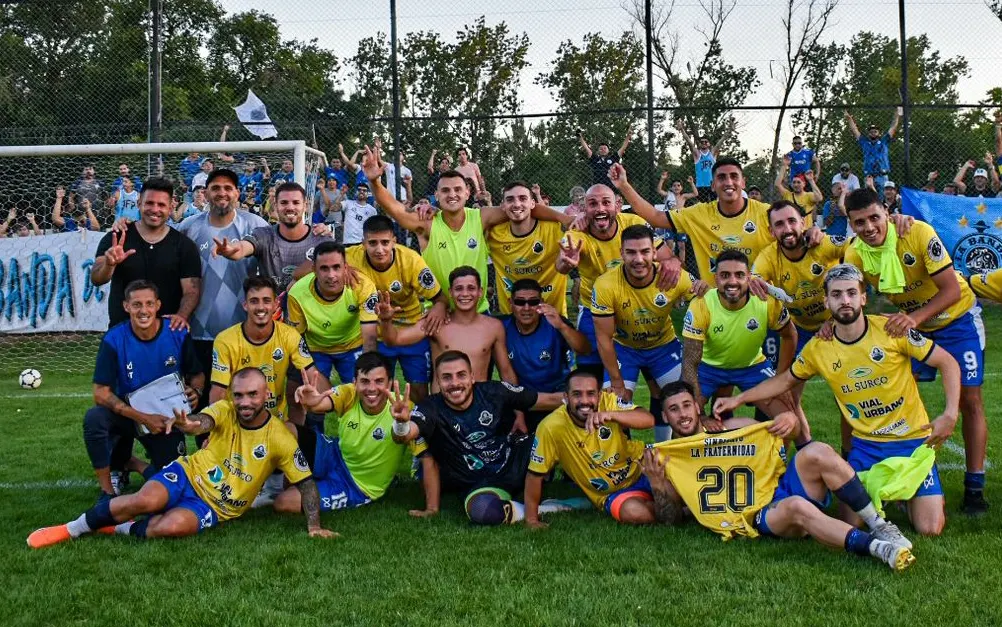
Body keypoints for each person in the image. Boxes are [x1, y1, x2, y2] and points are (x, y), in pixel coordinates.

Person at [714, 264, 961, 536]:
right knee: (851, 523)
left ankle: (910, 494)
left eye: (851, 293)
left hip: (911, 442)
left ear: (863, 297)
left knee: (929, 529)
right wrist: (740, 400)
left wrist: (950, 413)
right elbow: (785, 380)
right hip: (867, 447)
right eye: (837, 295)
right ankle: (891, 491)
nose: (845, 300)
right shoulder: (819, 347)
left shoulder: (892, 330)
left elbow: (947, 362)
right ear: (826, 301)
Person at [27, 367, 337, 548]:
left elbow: (306, 484)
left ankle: (117, 527)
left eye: (252, 395)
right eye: (238, 394)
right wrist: (191, 425)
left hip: (215, 506)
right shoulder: (225, 410)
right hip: (189, 475)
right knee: (145, 502)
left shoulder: (281, 437)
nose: (244, 401)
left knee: (171, 527)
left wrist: (313, 525)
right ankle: (71, 528)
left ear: (265, 395)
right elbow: (205, 421)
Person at [647, 381, 915, 571]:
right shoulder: (666, 458)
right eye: (674, 409)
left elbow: (787, 434)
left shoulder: (730, 428)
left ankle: (879, 525)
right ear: (664, 416)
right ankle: (878, 549)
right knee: (797, 507)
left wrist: (790, 420)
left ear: (696, 406)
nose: (682, 414)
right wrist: (658, 485)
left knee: (817, 451)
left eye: (686, 406)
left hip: (775, 488)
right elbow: (671, 520)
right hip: (759, 513)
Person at [841, 188, 988, 514]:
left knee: (970, 399)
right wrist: (833, 324)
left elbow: (950, 290)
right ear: (851, 225)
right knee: (892, 397)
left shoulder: (917, 232)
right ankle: (893, 475)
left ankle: (974, 487)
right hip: (913, 325)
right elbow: (848, 295)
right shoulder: (854, 255)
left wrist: (913, 318)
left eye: (874, 217)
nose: (868, 227)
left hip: (957, 318)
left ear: (887, 213)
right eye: (860, 222)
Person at [362, 146, 571, 314]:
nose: (451, 194)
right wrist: (374, 181)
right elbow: (396, 210)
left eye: (457, 189)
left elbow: (521, 208)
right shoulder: (427, 223)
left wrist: (565, 219)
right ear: (436, 194)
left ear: (468, 192)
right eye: (445, 190)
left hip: (479, 312)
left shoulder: (481, 217)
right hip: (440, 312)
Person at [387, 351, 567, 525]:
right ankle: (545, 509)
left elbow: (546, 400)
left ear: (472, 377)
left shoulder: (493, 391)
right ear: (438, 382)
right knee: (481, 511)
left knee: (555, 432)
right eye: (447, 377)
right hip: (481, 483)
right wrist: (401, 423)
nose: (455, 383)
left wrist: (587, 400)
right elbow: (403, 435)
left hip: (516, 461)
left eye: (461, 375)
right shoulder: (431, 408)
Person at [83, 280, 203, 500]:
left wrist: (196, 391)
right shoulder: (114, 339)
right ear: (126, 307)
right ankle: (107, 491)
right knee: (94, 419)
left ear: (158, 305)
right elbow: (100, 392)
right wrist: (142, 417)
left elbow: (197, 375)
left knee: (171, 487)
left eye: (149, 304)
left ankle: (135, 464)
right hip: (130, 415)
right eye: (137, 304)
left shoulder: (177, 333)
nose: (143, 310)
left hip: (165, 419)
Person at [591, 225, 706, 438]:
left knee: (687, 403)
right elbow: (603, 338)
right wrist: (617, 383)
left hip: (663, 346)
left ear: (654, 253)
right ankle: (623, 463)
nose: (638, 259)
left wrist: (703, 288)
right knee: (612, 407)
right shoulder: (605, 284)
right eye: (631, 252)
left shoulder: (673, 277)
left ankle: (672, 452)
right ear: (621, 253)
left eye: (645, 251)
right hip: (624, 350)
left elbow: (708, 304)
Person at [555, 181, 680, 375]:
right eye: (593, 204)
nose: (600, 208)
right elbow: (561, 265)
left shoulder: (633, 223)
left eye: (606, 202)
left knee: (654, 372)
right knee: (591, 374)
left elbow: (666, 257)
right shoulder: (577, 233)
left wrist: (673, 261)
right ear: (584, 208)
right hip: (594, 310)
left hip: (636, 308)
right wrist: (566, 262)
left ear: (617, 205)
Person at [277, 353, 422, 513]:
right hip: (334, 454)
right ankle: (268, 482)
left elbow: (401, 437)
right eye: (364, 381)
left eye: (379, 381)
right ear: (355, 383)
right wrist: (312, 402)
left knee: (284, 502)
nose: (371, 388)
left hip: (355, 485)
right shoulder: (350, 393)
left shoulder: (402, 407)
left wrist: (401, 423)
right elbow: (321, 404)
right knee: (285, 429)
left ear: (389, 384)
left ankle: (304, 479)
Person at [177, 168, 269, 409]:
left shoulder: (255, 225)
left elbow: (281, 251)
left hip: (243, 331)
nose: (222, 193)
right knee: (205, 405)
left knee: (244, 403)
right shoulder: (188, 228)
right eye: (216, 188)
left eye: (228, 188)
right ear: (205, 193)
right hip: (200, 332)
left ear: (237, 193)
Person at [680, 249, 799, 429]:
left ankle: (786, 455)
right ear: (716, 278)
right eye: (725, 275)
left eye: (739, 275)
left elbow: (790, 335)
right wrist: (701, 416)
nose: (732, 281)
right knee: (685, 423)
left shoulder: (766, 300)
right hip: (709, 368)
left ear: (749, 277)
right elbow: (689, 363)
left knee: (791, 421)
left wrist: (780, 380)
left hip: (752, 366)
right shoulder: (701, 303)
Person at [524, 369, 658, 526]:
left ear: (599, 395)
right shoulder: (550, 427)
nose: (585, 401)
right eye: (577, 394)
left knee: (676, 473)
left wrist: (611, 415)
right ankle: (673, 508)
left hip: (644, 467)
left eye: (590, 393)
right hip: (613, 493)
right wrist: (531, 520)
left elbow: (648, 419)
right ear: (566, 397)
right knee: (635, 513)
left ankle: (669, 500)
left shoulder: (608, 402)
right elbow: (535, 474)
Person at [346, 215, 449, 403]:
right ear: (363, 243)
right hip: (376, 335)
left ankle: (419, 429)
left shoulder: (411, 260)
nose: (379, 249)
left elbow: (439, 297)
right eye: (372, 243)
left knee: (419, 391)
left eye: (385, 242)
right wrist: (339, 268)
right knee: (377, 392)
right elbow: (317, 266)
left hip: (411, 332)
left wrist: (440, 307)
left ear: (394, 240)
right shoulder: (349, 257)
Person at [377, 266, 520, 392]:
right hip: (443, 406)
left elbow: (506, 372)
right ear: (450, 292)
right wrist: (386, 321)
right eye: (459, 289)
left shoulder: (493, 327)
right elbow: (394, 340)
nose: (465, 294)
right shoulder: (436, 322)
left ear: (480, 292)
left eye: (471, 288)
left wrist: (518, 414)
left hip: (479, 405)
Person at [91, 177, 202, 330]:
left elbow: (191, 290)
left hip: (166, 333)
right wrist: (109, 265)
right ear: (139, 204)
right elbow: (96, 279)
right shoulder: (117, 237)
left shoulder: (184, 245)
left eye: (161, 205)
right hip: (123, 332)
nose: (155, 209)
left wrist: (181, 316)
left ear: (170, 208)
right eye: (149, 203)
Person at [210, 276, 321, 424]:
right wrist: (216, 430)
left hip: (276, 422)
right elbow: (219, 391)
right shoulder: (225, 340)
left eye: (266, 301)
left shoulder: (289, 336)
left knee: (306, 441)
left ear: (276, 304)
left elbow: (311, 373)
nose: (261, 307)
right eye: (254, 301)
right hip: (238, 422)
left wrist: (329, 398)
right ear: (245, 305)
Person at [502, 279, 591, 432]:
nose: (526, 308)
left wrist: (562, 327)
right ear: (510, 302)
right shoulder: (501, 327)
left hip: (556, 396)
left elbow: (584, 349)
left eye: (533, 302)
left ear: (542, 302)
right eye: (520, 302)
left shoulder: (553, 323)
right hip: (523, 400)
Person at [212, 182, 330, 294]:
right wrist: (230, 249)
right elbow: (243, 247)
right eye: (284, 203)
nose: (290, 207)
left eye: (296, 202)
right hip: (272, 312)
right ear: (275, 206)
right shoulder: (264, 235)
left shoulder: (320, 238)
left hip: (309, 313)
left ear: (305, 206)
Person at [287, 241, 378, 386]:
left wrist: (367, 373)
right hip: (317, 348)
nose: (331, 275)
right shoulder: (297, 294)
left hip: (353, 345)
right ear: (314, 270)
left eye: (337, 267)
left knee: (361, 392)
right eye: (324, 268)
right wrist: (309, 370)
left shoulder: (362, 286)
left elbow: (370, 337)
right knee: (314, 399)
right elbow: (296, 339)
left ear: (346, 268)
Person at [487, 181, 569, 315]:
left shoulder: (555, 229)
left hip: (553, 318)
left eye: (523, 198)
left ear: (532, 203)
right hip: (512, 319)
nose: (517, 204)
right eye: (510, 199)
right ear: (502, 206)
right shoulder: (493, 235)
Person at [845, 107, 902, 189]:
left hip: (882, 176)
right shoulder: (865, 143)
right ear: (868, 134)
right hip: (869, 177)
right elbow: (855, 131)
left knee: (883, 198)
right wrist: (849, 119)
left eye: (875, 131)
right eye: (871, 132)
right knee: (870, 199)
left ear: (879, 133)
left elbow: (893, 127)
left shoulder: (884, 141)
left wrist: (897, 115)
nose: (873, 133)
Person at [676, 118, 732, 202]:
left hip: (712, 184)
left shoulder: (712, 153)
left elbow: (721, 141)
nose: (704, 143)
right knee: (703, 205)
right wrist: (682, 130)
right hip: (701, 185)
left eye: (706, 142)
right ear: (699, 144)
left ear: (709, 144)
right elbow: (689, 142)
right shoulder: (697, 154)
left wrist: (729, 130)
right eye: (702, 142)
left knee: (714, 204)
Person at [578, 124, 632, 189]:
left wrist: (628, 136)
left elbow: (623, 148)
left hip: (611, 187)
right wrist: (580, 137)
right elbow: (586, 148)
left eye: (605, 148)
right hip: (597, 187)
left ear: (608, 150)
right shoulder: (595, 159)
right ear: (598, 151)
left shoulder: (613, 158)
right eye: (601, 148)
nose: (603, 150)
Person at [775, 157, 822, 226]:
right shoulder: (788, 194)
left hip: (805, 230)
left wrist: (811, 181)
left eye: (798, 182)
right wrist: (784, 166)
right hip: (791, 229)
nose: (796, 185)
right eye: (794, 182)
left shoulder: (808, 195)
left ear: (804, 184)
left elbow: (819, 198)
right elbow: (777, 184)